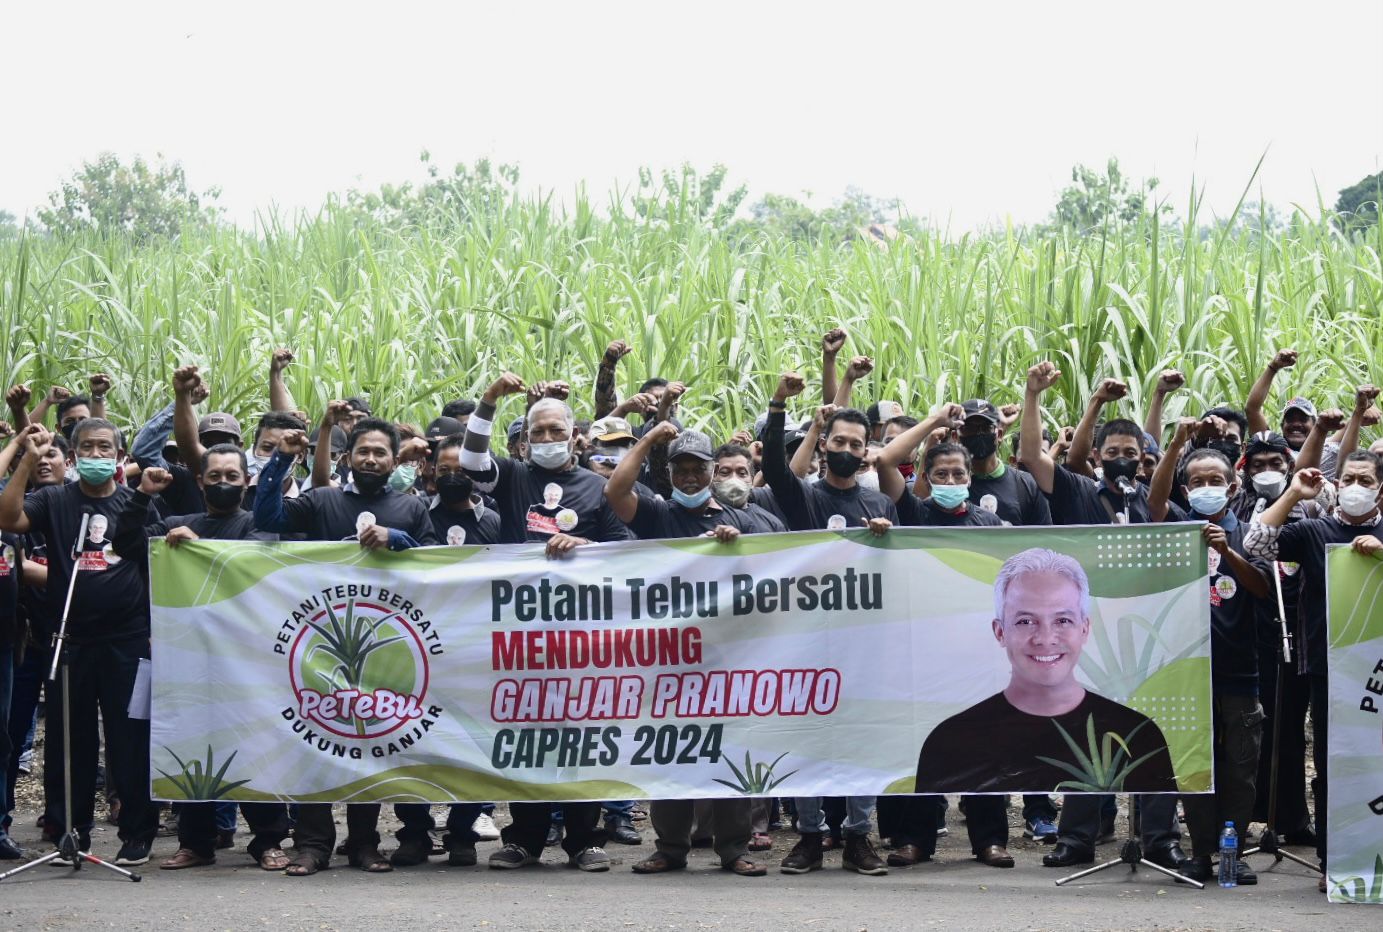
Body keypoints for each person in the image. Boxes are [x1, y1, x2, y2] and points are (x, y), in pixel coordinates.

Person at [1018, 362, 1192, 873]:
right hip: (1090, 639)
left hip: (1150, 640)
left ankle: (1160, 839)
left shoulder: (1154, 502)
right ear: (1096, 456)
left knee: (1155, 736)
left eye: (1130, 454)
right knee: (1085, 736)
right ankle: (1077, 838)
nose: (1121, 461)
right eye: (1112, 452)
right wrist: (1033, 395)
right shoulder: (1076, 492)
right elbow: (1032, 456)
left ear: (1144, 459)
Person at [253, 415, 439, 876]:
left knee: (367, 741)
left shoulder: (411, 507)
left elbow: (438, 566)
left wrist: (399, 540)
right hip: (318, 642)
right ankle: (312, 845)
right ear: (347, 457)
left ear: (394, 460)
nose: (371, 459)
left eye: (380, 452)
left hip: (382, 644)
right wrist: (281, 460)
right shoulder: (322, 499)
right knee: (314, 739)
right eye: (363, 451)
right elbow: (267, 518)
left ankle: (364, 844)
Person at [460, 372, 627, 872]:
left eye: (557, 430)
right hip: (523, 636)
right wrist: (490, 398)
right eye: (539, 432)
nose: (548, 438)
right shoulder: (513, 477)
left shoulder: (598, 488)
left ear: (575, 436)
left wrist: (586, 546)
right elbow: (471, 462)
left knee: (582, 739)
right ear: (525, 440)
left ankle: (585, 841)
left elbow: (628, 551)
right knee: (526, 737)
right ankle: (524, 840)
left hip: (583, 638)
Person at [110, 448, 293, 871]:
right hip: (188, 659)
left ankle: (268, 840)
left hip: (248, 660)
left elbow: (257, 565)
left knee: (253, 745)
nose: (222, 482)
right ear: (199, 481)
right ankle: (196, 842)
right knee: (192, 745)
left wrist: (203, 550)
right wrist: (142, 495)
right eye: (214, 476)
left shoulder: (258, 526)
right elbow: (127, 543)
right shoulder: (175, 524)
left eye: (231, 475)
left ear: (246, 481)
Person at [604, 423, 764, 877]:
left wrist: (735, 548)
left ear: (713, 471)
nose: (690, 478)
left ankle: (733, 849)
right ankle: (670, 847)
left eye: (698, 469)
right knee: (669, 751)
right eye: (681, 470)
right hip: (669, 657)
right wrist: (648, 440)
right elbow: (616, 491)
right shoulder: (658, 513)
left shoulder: (740, 520)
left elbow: (766, 578)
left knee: (730, 750)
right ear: (670, 474)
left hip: (727, 657)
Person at [0, 421, 160, 866]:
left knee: (130, 738)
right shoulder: (54, 499)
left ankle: (137, 833)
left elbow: (156, 563)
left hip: (128, 640)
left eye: (104, 447)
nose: (96, 454)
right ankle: (71, 831)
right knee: (70, 742)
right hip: (69, 640)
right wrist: (28, 460)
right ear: (72, 457)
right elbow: (7, 518)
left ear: (119, 455)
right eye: (86, 447)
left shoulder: (136, 502)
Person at [762, 371, 895, 877]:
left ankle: (859, 837)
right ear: (824, 446)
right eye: (838, 441)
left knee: (860, 740)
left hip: (862, 645)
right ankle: (810, 837)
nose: (846, 450)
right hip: (806, 640)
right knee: (809, 739)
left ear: (866, 453)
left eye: (856, 444)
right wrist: (779, 404)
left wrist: (885, 538)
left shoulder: (879, 504)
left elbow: (895, 572)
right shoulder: (804, 497)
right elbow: (773, 468)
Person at [916, 548, 1177, 796]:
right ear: (1000, 631)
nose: (1045, 638)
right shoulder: (950, 740)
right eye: (1026, 621)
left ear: (1084, 629)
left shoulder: (1137, 735)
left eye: (1062, 620)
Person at [1245, 450, 1383, 892]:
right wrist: (1294, 493)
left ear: (1380, 487)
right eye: (1349, 478)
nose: (1356, 487)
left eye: (1365, 479)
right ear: (1336, 484)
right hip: (1330, 670)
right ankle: (1335, 860)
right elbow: (1256, 544)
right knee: (1333, 764)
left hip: (1378, 669)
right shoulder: (1313, 531)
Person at [1151, 434, 1273, 883]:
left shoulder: (1250, 532)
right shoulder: (1175, 529)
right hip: (1185, 674)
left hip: (1239, 672)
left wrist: (1227, 551)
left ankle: (1233, 851)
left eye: (1215, 481)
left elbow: (1262, 588)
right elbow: (1154, 502)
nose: (1207, 488)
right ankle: (1201, 852)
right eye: (1198, 482)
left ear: (1233, 486)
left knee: (1240, 768)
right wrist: (1175, 446)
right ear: (1186, 491)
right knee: (1193, 765)